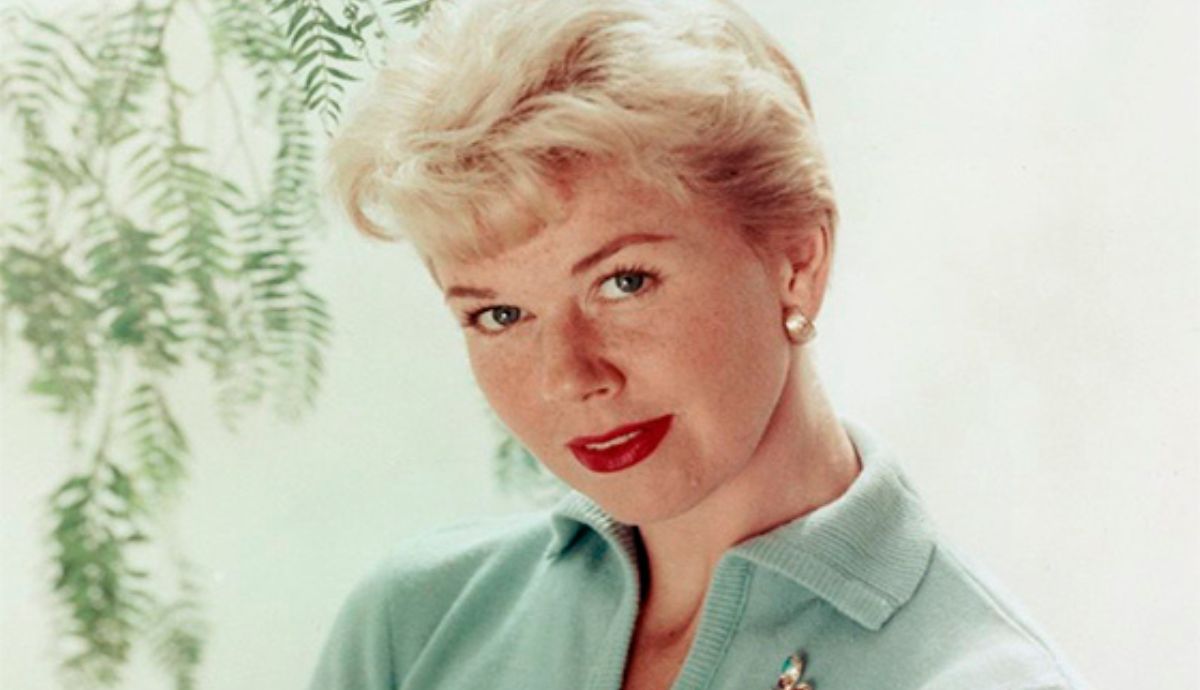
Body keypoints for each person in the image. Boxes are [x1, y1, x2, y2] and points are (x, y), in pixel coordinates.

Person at [310, 0, 1090, 688]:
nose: (568, 376)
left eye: (624, 282)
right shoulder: (417, 627)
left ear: (797, 264)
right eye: (500, 315)